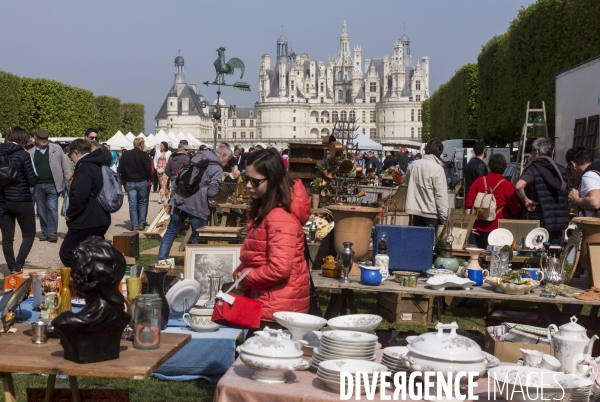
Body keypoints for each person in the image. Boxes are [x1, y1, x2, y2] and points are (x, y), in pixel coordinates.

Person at [232, 148, 311, 331]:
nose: (249, 185)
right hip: (270, 305)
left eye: (255, 181)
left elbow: (279, 269)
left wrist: (244, 278)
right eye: (246, 178)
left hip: (277, 313)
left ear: (273, 179)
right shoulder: (267, 211)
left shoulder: (279, 216)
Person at [157, 146, 232, 260]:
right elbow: (212, 192)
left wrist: (172, 200)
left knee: (171, 232)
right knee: (199, 236)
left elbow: (178, 179)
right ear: (223, 156)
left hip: (180, 200)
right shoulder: (217, 168)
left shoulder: (195, 158)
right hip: (197, 204)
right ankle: (197, 266)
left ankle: (161, 262)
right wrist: (201, 190)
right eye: (227, 160)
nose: (226, 163)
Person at [59, 139, 111, 269]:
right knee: (92, 255)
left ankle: (86, 283)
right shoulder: (98, 164)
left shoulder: (85, 167)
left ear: (76, 152)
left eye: (71, 156)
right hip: (100, 217)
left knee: (67, 253)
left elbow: (79, 196)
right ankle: (96, 280)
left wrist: (69, 214)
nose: (71, 159)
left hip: (87, 220)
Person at [515, 138, 569, 245]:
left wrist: (525, 200)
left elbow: (519, 186)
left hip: (538, 220)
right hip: (558, 222)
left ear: (537, 151)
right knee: (554, 253)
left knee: (537, 254)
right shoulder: (561, 170)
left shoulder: (533, 169)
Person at [0, 127, 38, 273]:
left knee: (7, 238)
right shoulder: (24, 154)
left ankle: (11, 268)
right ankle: (18, 265)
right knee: (29, 234)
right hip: (22, 199)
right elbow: (32, 180)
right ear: (22, 139)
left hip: (3, 199)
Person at [465, 154, 521, 248]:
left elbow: (468, 204)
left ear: (489, 166)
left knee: (479, 257)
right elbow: (515, 210)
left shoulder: (479, 181)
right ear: (504, 167)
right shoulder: (508, 186)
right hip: (499, 230)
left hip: (478, 228)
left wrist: (469, 225)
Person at [28, 128, 71, 243]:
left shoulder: (56, 149)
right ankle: (45, 232)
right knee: (41, 210)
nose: (44, 140)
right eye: (42, 139)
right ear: (36, 139)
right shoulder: (31, 153)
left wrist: (69, 180)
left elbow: (64, 165)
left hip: (52, 184)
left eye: (46, 138)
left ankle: (52, 233)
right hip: (37, 185)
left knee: (52, 208)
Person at [405, 138, 448, 234]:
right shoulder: (438, 169)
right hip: (431, 213)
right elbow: (440, 195)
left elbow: (407, 181)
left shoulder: (413, 165)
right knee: (430, 245)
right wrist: (444, 217)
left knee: (417, 242)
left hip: (415, 211)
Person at [119, 137, 152, 231]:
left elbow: (121, 168)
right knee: (142, 202)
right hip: (141, 180)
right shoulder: (144, 155)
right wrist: (147, 177)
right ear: (141, 145)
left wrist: (125, 178)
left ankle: (134, 225)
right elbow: (148, 168)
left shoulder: (126, 154)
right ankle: (141, 223)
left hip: (130, 180)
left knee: (132, 204)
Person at [566, 146, 600, 217]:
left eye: (569, 168)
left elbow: (595, 202)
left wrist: (576, 199)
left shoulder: (589, 175)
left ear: (573, 164)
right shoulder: (597, 170)